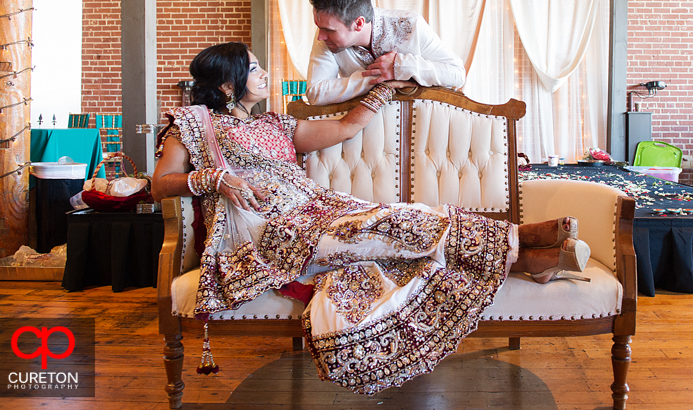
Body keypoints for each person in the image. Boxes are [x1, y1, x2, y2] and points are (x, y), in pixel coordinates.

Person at [152, 42, 589, 395]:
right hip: (270, 233)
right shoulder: (193, 123)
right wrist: (214, 178)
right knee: (391, 226)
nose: (264, 72)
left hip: (315, 210)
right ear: (228, 87)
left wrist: (389, 86)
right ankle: (528, 244)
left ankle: (533, 255)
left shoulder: (276, 125)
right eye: (253, 68)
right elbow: (161, 183)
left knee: (404, 216)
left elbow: (344, 127)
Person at [305, 0, 466, 105]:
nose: (320, 36)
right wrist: (381, 76)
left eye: (328, 30)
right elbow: (316, 92)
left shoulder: (410, 24)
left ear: (359, 23)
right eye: (319, 27)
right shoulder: (326, 38)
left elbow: (457, 75)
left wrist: (402, 66)